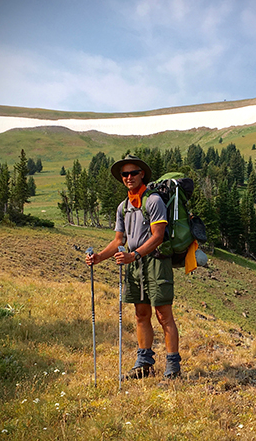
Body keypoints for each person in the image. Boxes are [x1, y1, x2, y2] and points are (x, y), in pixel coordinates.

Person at [86, 154, 181, 379]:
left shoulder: (153, 201)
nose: (129, 177)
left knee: (163, 314)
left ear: (142, 175)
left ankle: (172, 367)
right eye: (125, 174)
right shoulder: (123, 207)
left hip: (156, 261)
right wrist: (99, 257)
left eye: (133, 173)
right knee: (140, 313)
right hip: (134, 263)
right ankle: (144, 363)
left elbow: (158, 236)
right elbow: (119, 240)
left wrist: (134, 254)